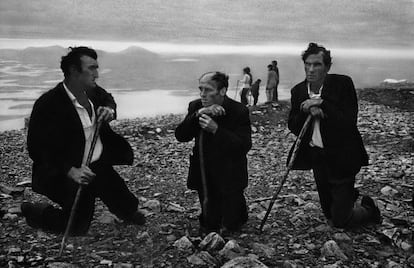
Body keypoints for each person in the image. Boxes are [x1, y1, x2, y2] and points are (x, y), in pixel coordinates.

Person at [22, 46, 145, 235]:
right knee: (77, 227)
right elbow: (37, 149)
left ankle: (125, 211)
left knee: (128, 205)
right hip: (62, 172)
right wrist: (71, 171)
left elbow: (108, 99)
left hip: (97, 164)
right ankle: (33, 211)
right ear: (73, 71)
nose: (97, 74)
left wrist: (109, 110)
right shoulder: (48, 105)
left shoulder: (92, 91)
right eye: (92, 68)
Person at [287, 42, 381, 228]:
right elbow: (293, 125)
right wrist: (307, 111)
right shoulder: (298, 91)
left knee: (340, 221)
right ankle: (347, 198)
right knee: (328, 214)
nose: (311, 69)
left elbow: (348, 122)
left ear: (327, 67)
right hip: (317, 157)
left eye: (317, 64)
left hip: (342, 157)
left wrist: (323, 105)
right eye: (307, 64)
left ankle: (369, 210)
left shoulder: (343, 84)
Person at [175, 72, 252, 234]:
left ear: (222, 91)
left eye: (208, 90)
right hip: (204, 173)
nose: (203, 94)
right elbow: (181, 136)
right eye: (201, 89)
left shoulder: (238, 111)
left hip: (230, 174)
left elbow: (243, 146)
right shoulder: (196, 106)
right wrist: (199, 114)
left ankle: (238, 212)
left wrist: (216, 130)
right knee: (210, 224)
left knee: (233, 224)